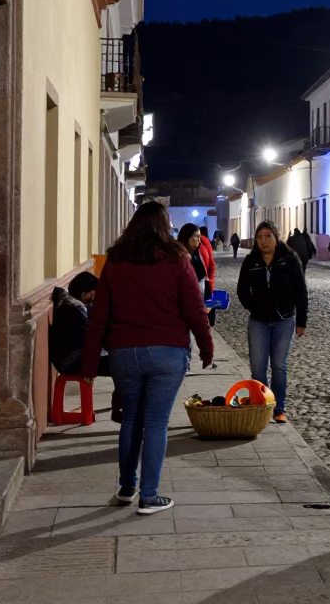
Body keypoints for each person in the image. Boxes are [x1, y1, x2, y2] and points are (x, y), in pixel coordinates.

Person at [81, 201, 213, 515]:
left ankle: (127, 488)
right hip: (167, 351)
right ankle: (149, 496)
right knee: (155, 423)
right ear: (163, 225)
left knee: (130, 421)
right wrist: (206, 346)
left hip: (124, 352)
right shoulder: (178, 258)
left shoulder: (116, 260)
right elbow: (194, 307)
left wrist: (89, 361)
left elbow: (99, 315)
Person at [237, 221, 308, 424]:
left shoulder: (289, 259)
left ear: (276, 238)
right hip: (258, 321)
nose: (263, 241)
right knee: (258, 367)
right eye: (260, 237)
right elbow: (242, 290)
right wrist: (254, 306)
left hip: (284, 320)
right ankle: (261, 406)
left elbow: (301, 291)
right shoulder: (251, 261)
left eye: (268, 236)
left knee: (279, 366)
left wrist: (301, 320)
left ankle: (278, 407)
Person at [49, 273, 122, 423]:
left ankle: (121, 403)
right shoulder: (72, 311)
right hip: (71, 362)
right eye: (92, 295)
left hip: (75, 357)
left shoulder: (74, 307)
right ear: (83, 293)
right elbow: (91, 339)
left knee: (120, 359)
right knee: (122, 364)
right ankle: (120, 407)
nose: (93, 299)